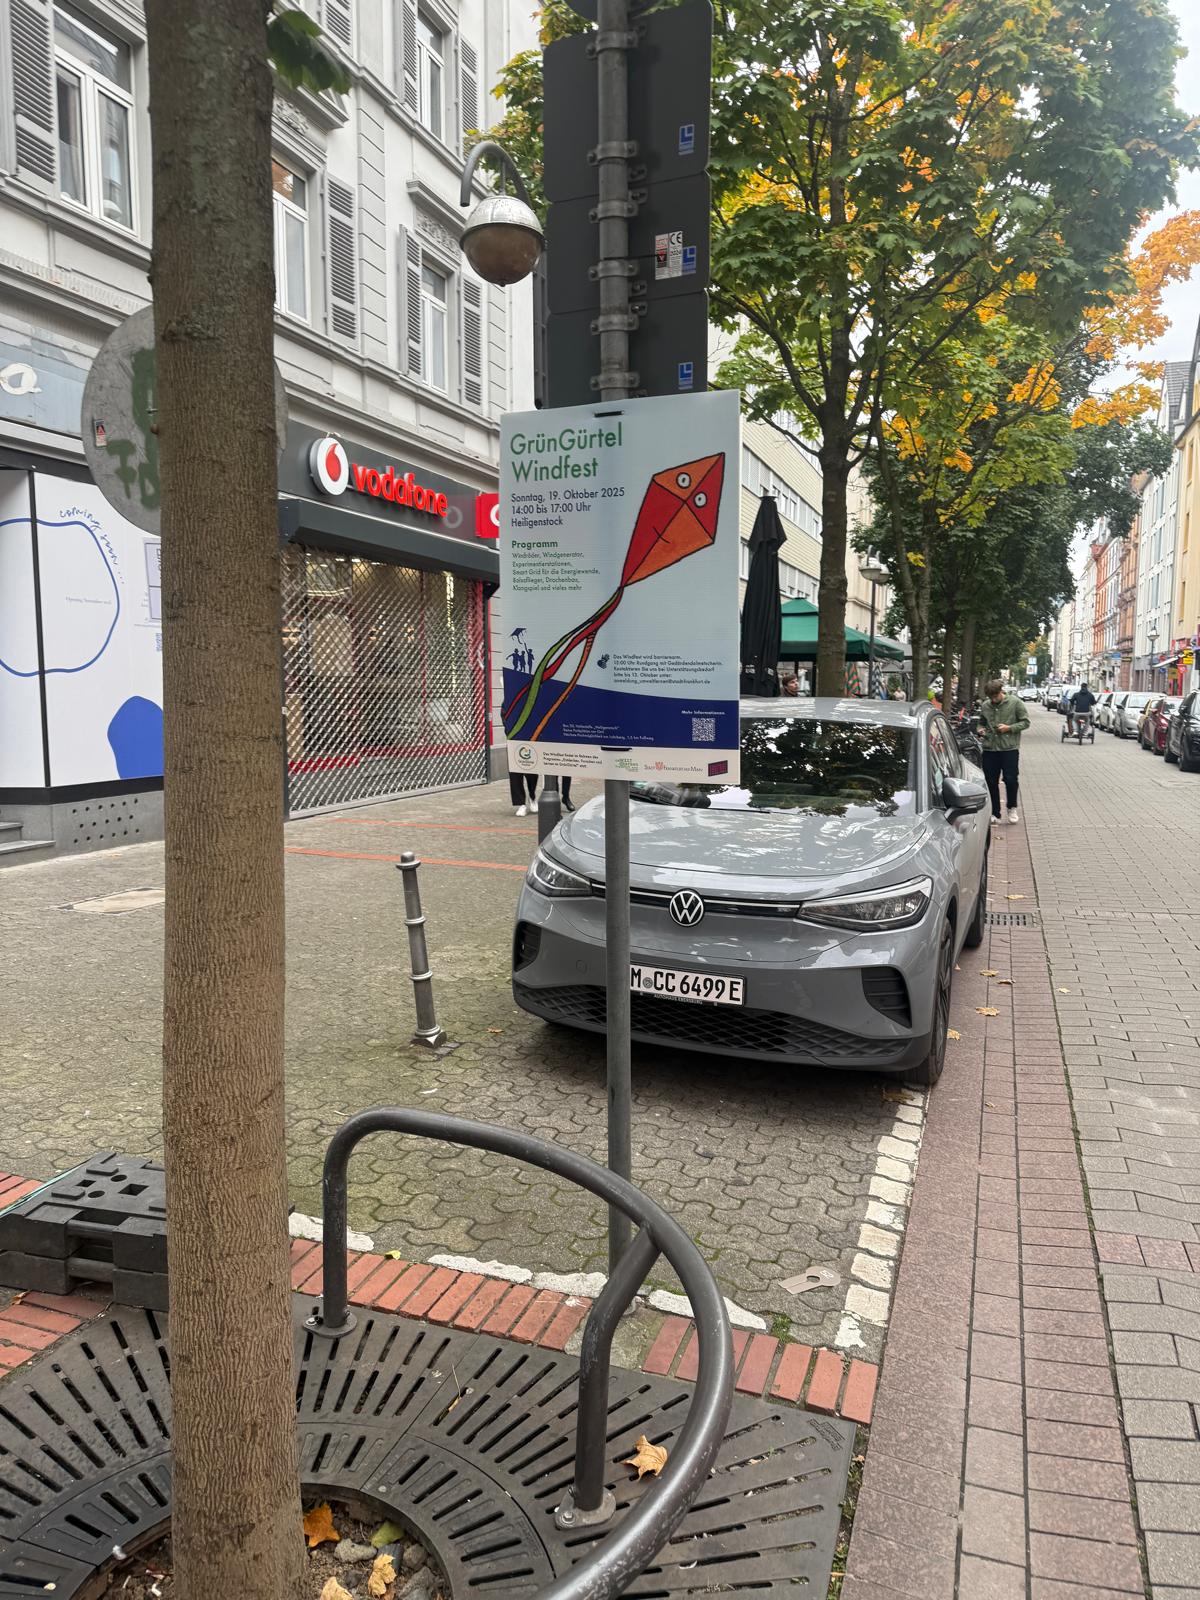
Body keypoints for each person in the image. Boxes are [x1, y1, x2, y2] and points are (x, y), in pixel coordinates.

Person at [976, 678, 1030, 825]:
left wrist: (1009, 728)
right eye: (991, 697)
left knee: (1011, 779)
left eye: (995, 696)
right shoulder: (986, 705)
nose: (993, 700)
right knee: (990, 781)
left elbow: (1025, 722)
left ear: (1001, 691)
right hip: (990, 748)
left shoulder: (1015, 702)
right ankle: (995, 812)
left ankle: (1012, 807)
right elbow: (981, 722)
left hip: (1009, 748)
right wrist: (980, 730)